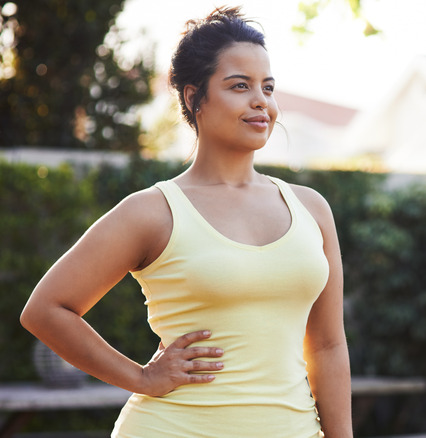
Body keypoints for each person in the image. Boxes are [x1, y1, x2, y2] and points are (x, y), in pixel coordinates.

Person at [20, 6, 352, 437]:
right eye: (240, 86)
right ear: (195, 98)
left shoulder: (311, 208)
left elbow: (326, 345)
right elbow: (46, 310)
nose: (261, 102)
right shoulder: (153, 211)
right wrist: (141, 377)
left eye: (268, 88)